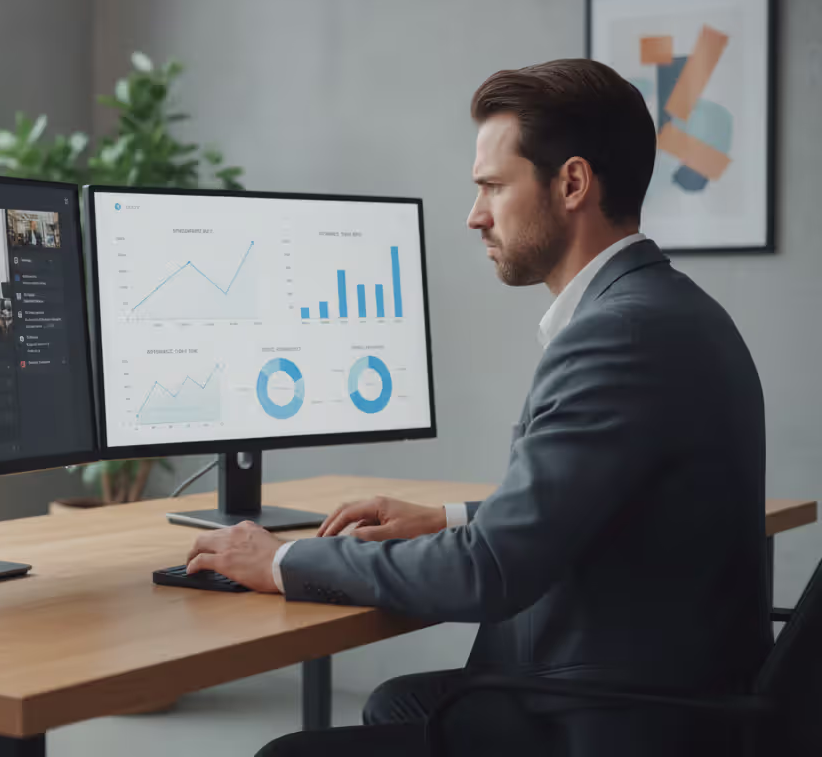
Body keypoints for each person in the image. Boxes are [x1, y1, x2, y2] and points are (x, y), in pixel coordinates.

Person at [188, 59, 768, 757]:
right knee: (396, 701)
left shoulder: (618, 334)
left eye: (493, 186)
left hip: (613, 717)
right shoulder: (672, 309)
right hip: (678, 683)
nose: (475, 215)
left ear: (573, 183)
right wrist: (445, 518)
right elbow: (607, 501)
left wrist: (283, 560)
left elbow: (490, 572)